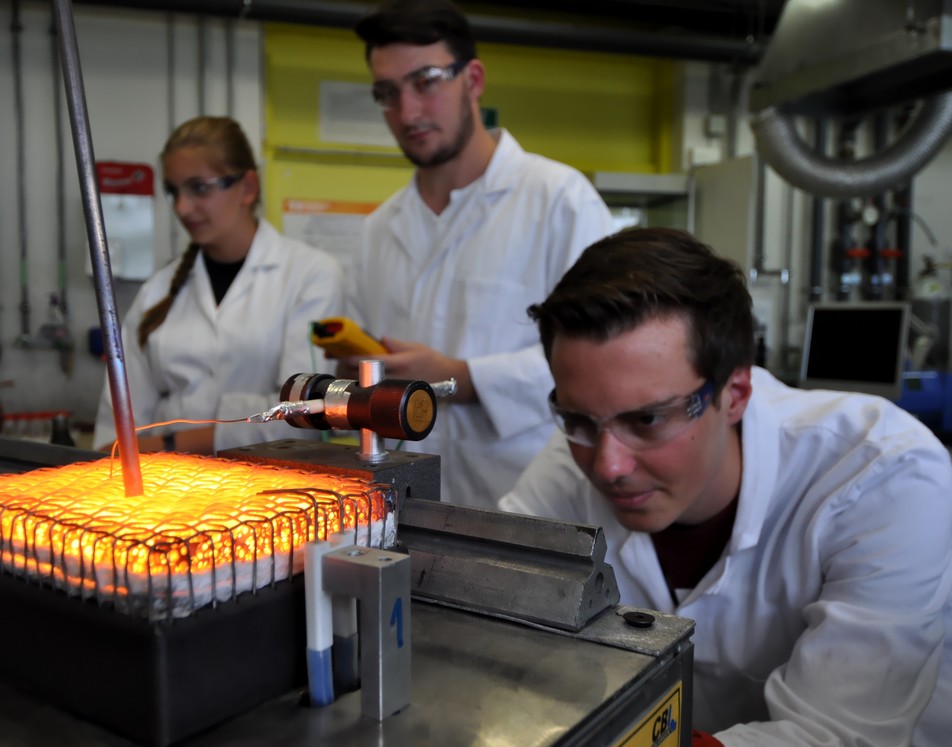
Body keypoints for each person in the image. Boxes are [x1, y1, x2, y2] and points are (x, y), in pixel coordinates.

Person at [500, 227, 952, 746]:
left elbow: (837, 735)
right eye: (578, 420)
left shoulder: (881, 472)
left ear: (734, 393)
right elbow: (493, 619)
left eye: (647, 419)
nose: (608, 466)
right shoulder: (571, 457)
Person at [339, 0, 615, 509]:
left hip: (529, 501)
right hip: (403, 503)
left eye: (426, 81)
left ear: (473, 79)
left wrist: (463, 379)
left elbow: (609, 360)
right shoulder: (379, 229)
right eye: (388, 93)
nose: (408, 113)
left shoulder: (559, 201)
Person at [93, 116, 343, 454]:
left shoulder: (311, 276)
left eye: (199, 188)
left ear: (248, 187)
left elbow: (300, 417)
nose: (182, 208)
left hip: (274, 489)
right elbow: (119, 424)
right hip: (168, 491)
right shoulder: (158, 290)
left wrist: (166, 443)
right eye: (174, 191)